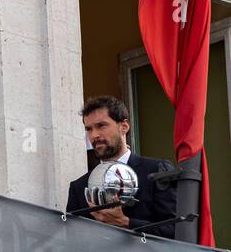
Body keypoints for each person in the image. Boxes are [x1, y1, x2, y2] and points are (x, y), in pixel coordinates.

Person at [65, 96, 176, 238]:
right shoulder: (78, 187)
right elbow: (72, 243)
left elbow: (177, 232)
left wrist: (126, 222)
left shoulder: (157, 170)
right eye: (89, 129)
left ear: (124, 127)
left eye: (101, 126)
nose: (94, 135)